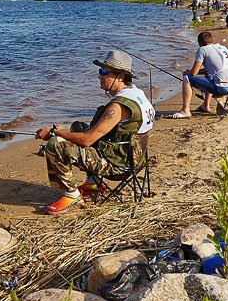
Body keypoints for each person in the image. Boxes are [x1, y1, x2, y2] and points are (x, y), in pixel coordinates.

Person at [34, 51, 155, 215]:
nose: (99, 76)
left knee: (55, 145)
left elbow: (87, 140)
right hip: (135, 157)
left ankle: (73, 196)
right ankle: (93, 183)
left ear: (120, 76)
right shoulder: (137, 94)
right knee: (78, 126)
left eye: (104, 72)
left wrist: (54, 133)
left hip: (119, 166)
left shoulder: (118, 106)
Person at [168, 31, 228, 119]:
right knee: (209, 75)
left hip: (222, 87)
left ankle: (185, 111)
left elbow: (194, 72)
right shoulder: (223, 47)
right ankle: (205, 105)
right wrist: (193, 71)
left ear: (199, 43)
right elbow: (211, 69)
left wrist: (188, 72)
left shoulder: (202, 49)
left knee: (187, 78)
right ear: (213, 39)